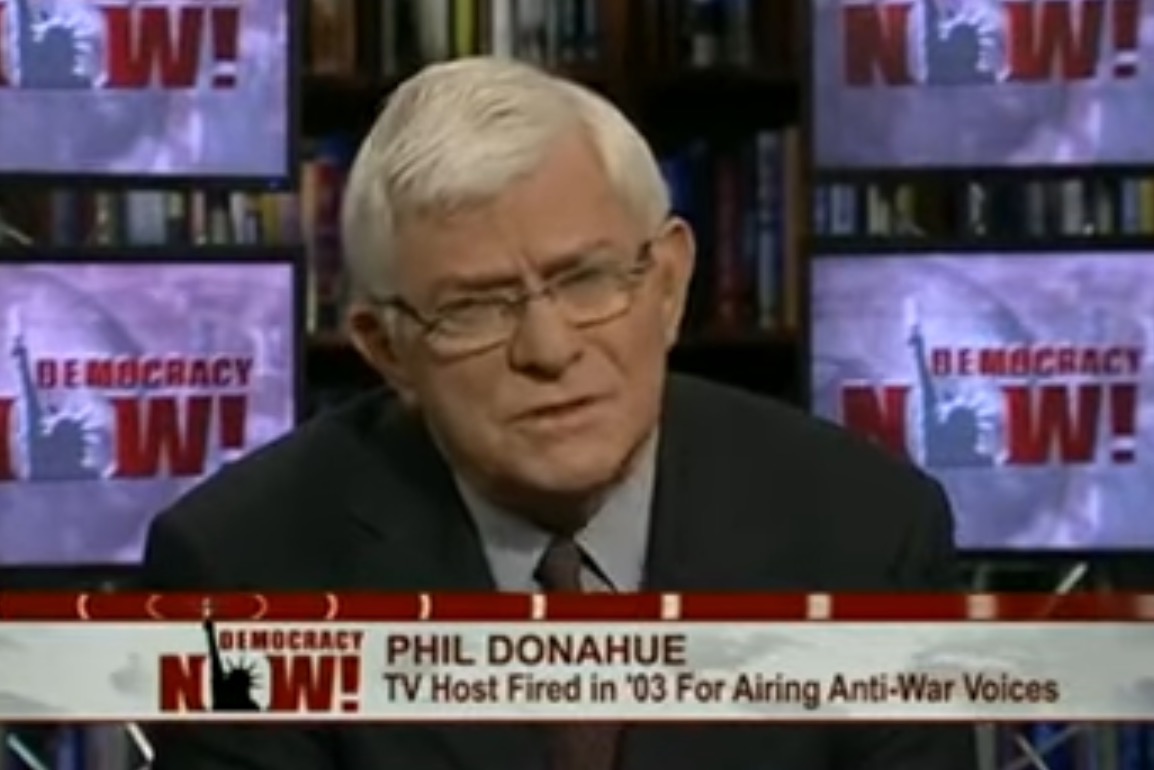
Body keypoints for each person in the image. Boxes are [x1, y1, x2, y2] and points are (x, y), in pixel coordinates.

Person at [142, 57, 977, 769]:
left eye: (586, 280)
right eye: (474, 307)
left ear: (669, 285)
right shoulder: (244, 571)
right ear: (388, 350)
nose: (548, 350)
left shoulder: (866, 534)